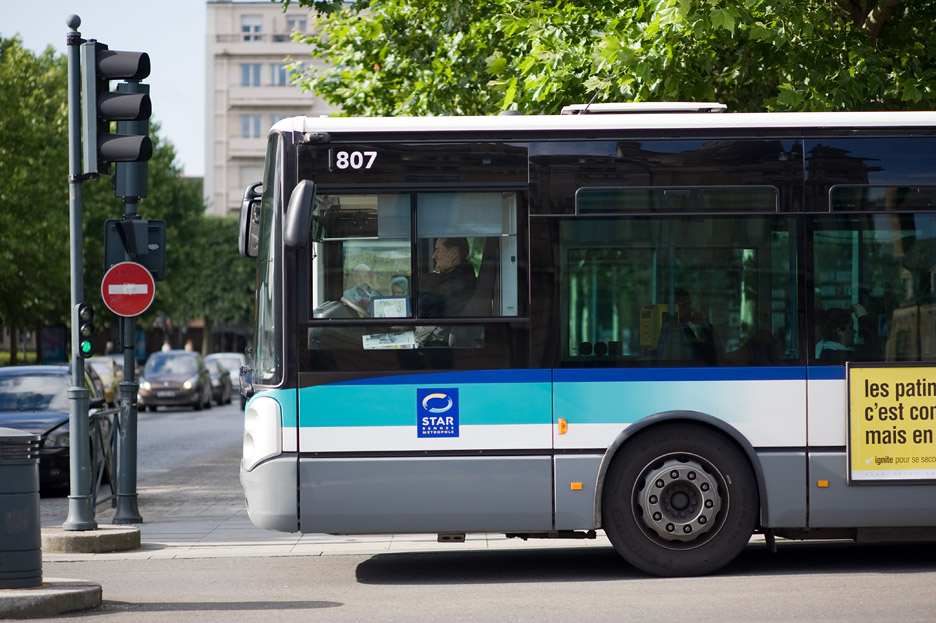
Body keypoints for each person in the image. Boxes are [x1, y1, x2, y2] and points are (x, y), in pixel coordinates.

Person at [416, 237, 477, 346]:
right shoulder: (451, 275)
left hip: (437, 342)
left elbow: (423, 306)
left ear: (453, 253)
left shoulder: (461, 279)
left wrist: (438, 269)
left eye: (438, 250)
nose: (433, 256)